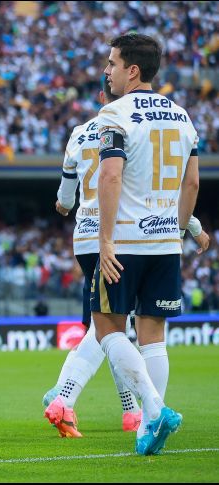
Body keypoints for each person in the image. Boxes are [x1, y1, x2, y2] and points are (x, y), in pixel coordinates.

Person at [45, 80, 211, 438]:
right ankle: (118, 408)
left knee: (106, 325)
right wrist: (188, 227)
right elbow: (160, 187)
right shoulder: (166, 119)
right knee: (122, 329)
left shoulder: (81, 132)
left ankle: (92, 401)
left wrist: (65, 205)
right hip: (139, 235)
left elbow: (71, 193)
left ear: (106, 95)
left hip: (94, 236)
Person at [92, 33, 198, 455]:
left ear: (132, 71)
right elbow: (191, 182)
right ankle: (147, 432)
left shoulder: (113, 113)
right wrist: (178, 230)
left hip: (127, 240)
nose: (108, 70)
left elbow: (111, 176)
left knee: (106, 326)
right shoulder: (184, 116)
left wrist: (104, 239)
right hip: (166, 242)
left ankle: (153, 410)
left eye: (112, 63)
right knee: (153, 335)